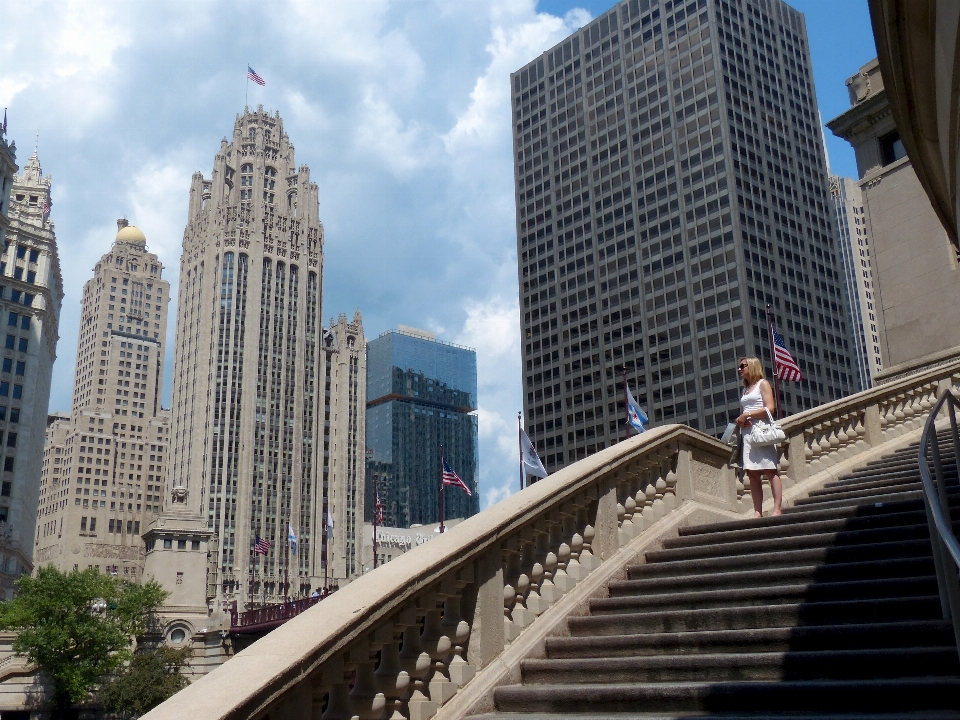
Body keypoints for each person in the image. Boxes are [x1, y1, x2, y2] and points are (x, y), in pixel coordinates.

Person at [735, 356, 783, 518]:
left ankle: (777, 509)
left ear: (753, 366)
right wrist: (741, 419)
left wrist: (749, 414)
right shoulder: (745, 389)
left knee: (770, 469)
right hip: (748, 433)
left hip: (762, 431)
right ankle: (758, 511)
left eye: (743, 366)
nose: (740, 369)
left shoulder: (763, 384)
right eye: (739, 367)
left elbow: (770, 408)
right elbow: (745, 410)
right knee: (752, 473)